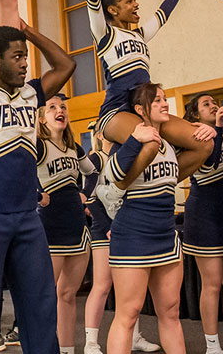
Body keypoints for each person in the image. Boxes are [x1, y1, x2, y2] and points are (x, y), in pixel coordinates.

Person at [0, 8, 76, 354]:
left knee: (40, 309)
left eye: (26, 57)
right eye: (17, 56)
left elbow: (66, 65)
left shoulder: (32, 94)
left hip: (26, 217)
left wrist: (29, 33)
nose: (24, 63)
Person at [55, 0, 213, 177]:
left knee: (204, 144)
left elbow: (163, 13)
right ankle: (115, 188)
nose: (136, 4)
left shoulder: (140, 35)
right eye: (129, 1)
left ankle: (161, 182)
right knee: (151, 142)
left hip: (147, 109)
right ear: (112, 9)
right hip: (117, 111)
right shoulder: (104, 35)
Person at [105, 84, 189, 354]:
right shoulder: (127, 142)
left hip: (165, 236)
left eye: (165, 99)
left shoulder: (171, 146)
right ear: (140, 110)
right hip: (133, 237)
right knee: (128, 314)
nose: (165, 104)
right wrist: (133, 139)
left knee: (171, 311)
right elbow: (115, 177)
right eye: (157, 101)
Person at [80, 126, 160, 354]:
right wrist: (107, 227)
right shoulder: (95, 158)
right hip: (104, 229)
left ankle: (135, 337)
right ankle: (91, 343)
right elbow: (90, 198)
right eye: (105, 128)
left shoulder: (126, 153)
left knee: (130, 291)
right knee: (102, 285)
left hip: (127, 226)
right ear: (98, 135)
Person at [182, 95, 223, 354]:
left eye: (214, 102)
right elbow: (212, 160)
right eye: (205, 104)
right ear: (195, 115)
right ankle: (212, 346)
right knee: (212, 283)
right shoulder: (195, 134)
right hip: (203, 212)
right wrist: (217, 128)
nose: (213, 105)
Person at [35, 95, 90, 354]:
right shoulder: (38, 145)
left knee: (68, 294)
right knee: (45, 298)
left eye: (63, 107)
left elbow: (94, 172)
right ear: (41, 117)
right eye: (53, 107)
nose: (60, 111)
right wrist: (36, 195)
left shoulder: (74, 147)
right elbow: (16, 173)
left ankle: (67, 349)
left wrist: (85, 193)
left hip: (76, 226)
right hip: (50, 226)